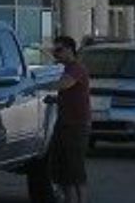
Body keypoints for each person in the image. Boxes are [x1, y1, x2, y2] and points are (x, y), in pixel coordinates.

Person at [49, 35, 91, 203]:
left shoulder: (76, 69)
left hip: (77, 126)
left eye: (59, 50)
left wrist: (38, 85)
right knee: (63, 172)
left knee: (76, 170)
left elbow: (65, 84)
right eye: (54, 50)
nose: (55, 54)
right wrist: (54, 99)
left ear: (70, 50)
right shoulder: (65, 69)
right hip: (63, 124)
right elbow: (67, 94)